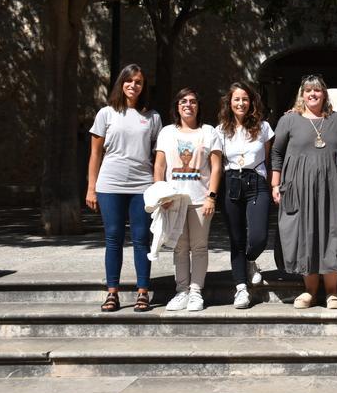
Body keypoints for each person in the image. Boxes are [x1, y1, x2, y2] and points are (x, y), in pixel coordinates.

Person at [86, 64, 162, 312]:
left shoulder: (152, 117)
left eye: (138, 82)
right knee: (113, 238)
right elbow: (95, 154)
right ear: (121, 83)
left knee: (142, 239)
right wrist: (91, 188)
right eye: (129, 81)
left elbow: (159, 156)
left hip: (142, 185)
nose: (133, 85)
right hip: (110, 184)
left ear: (143, 86)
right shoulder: (106, 114)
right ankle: (112, 293)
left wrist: (160, 188)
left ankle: (142, 292)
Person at [271, 75, 337, 309]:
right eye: (308, 91)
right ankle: (309, 292)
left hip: (331, 188)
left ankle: (333, 292)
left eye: (317, 90)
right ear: (301, 94)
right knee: (306, 236)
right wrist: (276, 184)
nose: (313, 94)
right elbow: (276, 153)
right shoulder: (289, 120)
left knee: (331, 234)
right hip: (299, 187)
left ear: (324, 94)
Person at [154, 88, 223, 312]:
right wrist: (160, 194)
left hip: (200, 200)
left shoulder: (209, 132)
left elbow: (216, 168)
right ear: (177, 106)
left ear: (198, 106)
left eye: (193, 101)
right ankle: (181, 291)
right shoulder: (166, 132)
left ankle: (195, 291)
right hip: (173, 200)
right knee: (179, 248)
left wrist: (211, 197)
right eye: (183, 101)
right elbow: (159, 167)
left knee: (199, 247)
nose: (188, 105)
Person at [218, 81, 274, 309]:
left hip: (256, 181)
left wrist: (273, 184)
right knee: (236, 238)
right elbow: (216, 162)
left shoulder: (264, 128)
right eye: (236, 99)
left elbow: (269, 160)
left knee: (259, 236)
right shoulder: (220, 130)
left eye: (245, 99)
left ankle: (250, 261)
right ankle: (241, 288)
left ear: (251, 102)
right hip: (231, 181)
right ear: (229, 103)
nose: (241, 103)